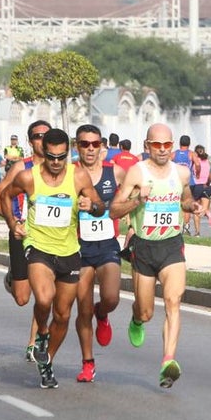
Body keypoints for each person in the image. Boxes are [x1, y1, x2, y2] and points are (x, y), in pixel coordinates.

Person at [2, 128, 107, 388]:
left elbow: (101, 206)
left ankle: (47, 361)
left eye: (62, 157)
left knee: (62, 315)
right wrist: (13, 222)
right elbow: (5, 196)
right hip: (37, 246)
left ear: (67, 153)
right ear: (43, 153)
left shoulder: (78, 175)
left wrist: (91, 206)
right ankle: (41, 334)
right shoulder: (29, 177)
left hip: (69, 251)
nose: (57, 162)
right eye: (52, 157)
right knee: (45, 298)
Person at [110, 123, 203, 389]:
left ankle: (168, 361)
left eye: (166, 145)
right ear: (147, 146)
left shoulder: (182, 173)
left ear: (172, 147)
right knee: (147, 311)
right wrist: (137, 201)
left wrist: (192, 205)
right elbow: (114, 210)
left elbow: (184, 198)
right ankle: (137, 317)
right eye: (156, 145)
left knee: (174, 301)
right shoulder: (135, 173)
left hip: (171, 245)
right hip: (144, 248)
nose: (162, 150)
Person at [71, 124, 127, 383]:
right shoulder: (69, 175)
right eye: (85, 144)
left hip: (106, 245)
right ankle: (88, 363)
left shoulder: (114, 172)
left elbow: (131, 199)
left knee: (112, 297)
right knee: (82, 309)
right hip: (78, 248)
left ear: (102, 145)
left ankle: (102, 313)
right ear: (77, 146)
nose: (90, 149)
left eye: (95, 144)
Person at [0, 120, 51, 360]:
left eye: (47, 136)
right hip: (22, 234)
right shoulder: (20, 168)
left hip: (49, 237)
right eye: (37, 136)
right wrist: (14, 223)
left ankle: (33, 343)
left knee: (45, 292)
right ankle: (13, 276)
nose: (42, 140)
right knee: (22, 298)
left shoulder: (60, 168)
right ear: (30, 141)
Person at [190, 144, 211, 237]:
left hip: (197, 186)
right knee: (204, 207)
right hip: (206, 186)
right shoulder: (208, 161)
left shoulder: (195, 161)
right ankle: (208, 213)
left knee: (196, 210)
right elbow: (210, 173)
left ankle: (197, 232)